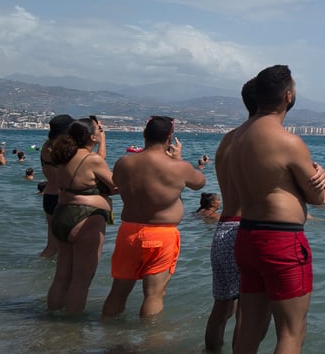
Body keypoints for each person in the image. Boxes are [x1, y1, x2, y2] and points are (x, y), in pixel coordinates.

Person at [227, 65, 325, 354]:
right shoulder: (289, 142)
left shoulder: (237, 137)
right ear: (288, 97)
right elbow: (316, 198)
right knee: (291, 332)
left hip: (247, 237)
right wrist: (322, 179)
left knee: (248, 332)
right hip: (282, 241)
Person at [102, 116, 206, 319]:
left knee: (118, 291)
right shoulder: (178, 167)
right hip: (162, 234)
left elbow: (116, 182)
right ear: (170, 137)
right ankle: (149, 345)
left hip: (128, 232)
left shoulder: (124, 162)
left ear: (144, 134)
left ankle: (107, 337)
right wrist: (177, 159)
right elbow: (199, 183)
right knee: (154, 295)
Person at [204, 78, 256, 354]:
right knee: (246, 312)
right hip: (246, 230)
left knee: (221, 308)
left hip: (224, 229)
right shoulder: (260, 140)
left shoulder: (227, 140)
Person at [46, 118, 115, 316]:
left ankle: (50, 321)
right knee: (81, 280)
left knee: (61, 276)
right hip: (86, 217)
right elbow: (115, 185)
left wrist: (101, 143)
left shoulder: (64, 154)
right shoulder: (92, 160)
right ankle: (71, 330)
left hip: (62, 213)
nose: (101, 132)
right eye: (99, 130)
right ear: (92, 136)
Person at [38, 114, 77, 260]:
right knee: (68, 245)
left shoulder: (46, 147)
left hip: (49, 195)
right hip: (63, 198)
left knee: (51, 246)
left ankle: (37, 267)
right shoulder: (64, 148)